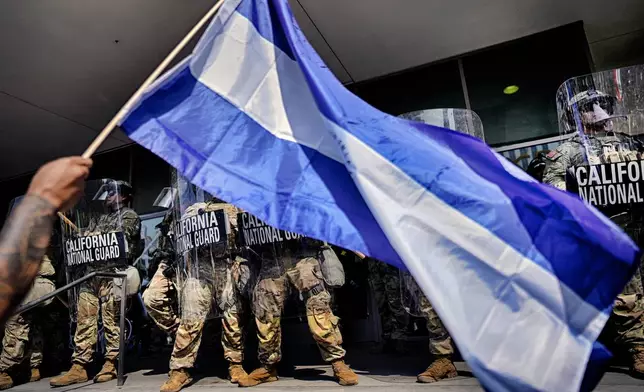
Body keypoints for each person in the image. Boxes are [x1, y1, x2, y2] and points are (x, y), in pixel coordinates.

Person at [543, 89, 644, 377]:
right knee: (629, 293)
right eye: (590, 106)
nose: (600, 110)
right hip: (605, 229)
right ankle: (639, 348)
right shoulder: (566, 151)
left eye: (604, 104)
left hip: (638, 222)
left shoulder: (629, 142)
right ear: (575, 116)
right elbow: (554, 189)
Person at [50, 180, 141, 387]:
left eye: (113, 193)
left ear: (125, 196)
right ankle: (79, 366)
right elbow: (86, 241)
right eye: (107, 192)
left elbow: (121, 238)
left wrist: (90, 237)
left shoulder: (129, 216)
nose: (108, 196)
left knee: (111, 320)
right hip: (90, 274)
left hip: (112, 275)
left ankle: (112, 362)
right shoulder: (99, 219)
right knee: (85, 320)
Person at [239, 233, 359, 387]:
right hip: (272, 256)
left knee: (318, 307)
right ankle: (268, 367)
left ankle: (338, 362)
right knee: (265, 311)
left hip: (303, 254)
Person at [160, 200, 250, 392]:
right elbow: (182, 234)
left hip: (227, 265)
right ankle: (180, 369)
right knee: (191, 318)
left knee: (233, 318)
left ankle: (235, 364)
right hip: (201, 267)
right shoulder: (195, 208)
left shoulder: (239, 208)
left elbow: (246, 236)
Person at [0, 157, 91, 325]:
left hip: (42, 285)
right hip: (36, 285)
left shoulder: (56, 233)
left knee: (27, 333)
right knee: (23, 334)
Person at [0, 252, 56, 390]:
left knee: (15, 317)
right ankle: (33, 366)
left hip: (36, 281)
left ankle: (5, 371)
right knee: (31, 320)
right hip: (34, 281)